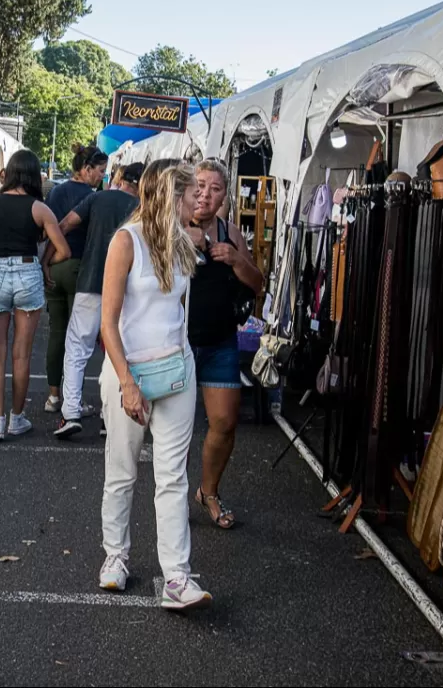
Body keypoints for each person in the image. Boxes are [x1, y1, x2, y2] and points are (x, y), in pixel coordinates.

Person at [97, 161, 212, 610]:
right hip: (129, 373)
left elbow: (176, 311)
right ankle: (115, 557)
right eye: (191, 194)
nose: (198, 202)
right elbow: (108, 323)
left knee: (172, 478)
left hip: (177, 371)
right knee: (122, 471)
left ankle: (177, 578)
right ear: (171, 194)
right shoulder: (126, 241)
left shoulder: (181, 239)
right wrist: (126, 381)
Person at [187, 161, 264, 529]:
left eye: (215, 188)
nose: (205, 194)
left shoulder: (230, 231)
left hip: (220, 341)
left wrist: (234, 258)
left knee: (224, 423)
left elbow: (257, 283)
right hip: (178, 343)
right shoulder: (171, 225)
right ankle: (166, 504)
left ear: (224, 196)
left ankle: (208, 492)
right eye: (199, 185)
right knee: (174, 429)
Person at [0, 150, 71, 440]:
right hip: (28, 274)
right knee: (21, 354)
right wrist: (47, 264)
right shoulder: (40, 209)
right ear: (33, 175)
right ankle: (17, 418)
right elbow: (64, 250)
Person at [53, 161, 146, 438]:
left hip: (92, 280)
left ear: (120, 178)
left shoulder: (98, 198)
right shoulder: (142, 209)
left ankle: (70, 412)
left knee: (77, 347)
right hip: (130, 288)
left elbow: (66, 224)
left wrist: (53, 256)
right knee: (118, 350)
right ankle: (111, 416)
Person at [42, 144, 108, 415]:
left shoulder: (56, 191)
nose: (102, 177)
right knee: (77, 340)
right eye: (100, 171)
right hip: (81, 268)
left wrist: (46, 261)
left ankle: (53, 396)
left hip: (55, 266)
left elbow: (49, 229)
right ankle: (74, 400)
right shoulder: (94, 197)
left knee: (57, 333)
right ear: (86, 169)